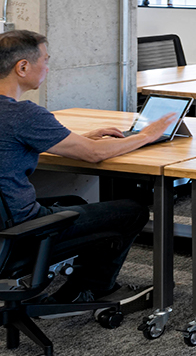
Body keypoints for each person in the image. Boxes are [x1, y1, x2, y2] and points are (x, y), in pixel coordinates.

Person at [0, 30, 172, 303]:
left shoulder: (15, 116)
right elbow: (93, 155)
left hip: (6, 223)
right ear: (22, 66)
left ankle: (79, 280)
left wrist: (76, 139)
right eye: (45, 59)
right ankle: (92, 290)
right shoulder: (23, 114)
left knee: (74, 201)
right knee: (132, 211)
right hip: (18, 231)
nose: (47, 66)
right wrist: (146, 136)